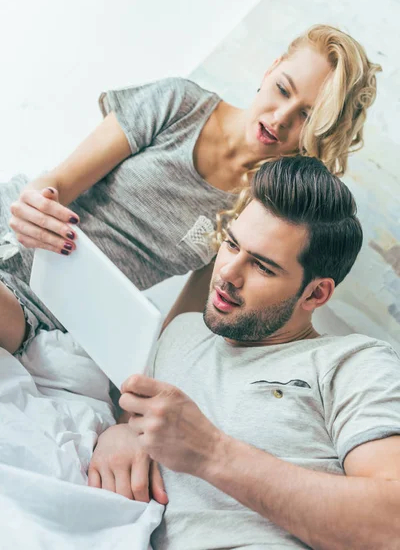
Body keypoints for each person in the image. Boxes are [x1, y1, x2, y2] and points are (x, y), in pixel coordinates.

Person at [0, 25, 380, 355]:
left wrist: (142, 391)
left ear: (322, 134)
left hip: (41, 303)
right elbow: (56, 185)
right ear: (271, 69)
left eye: (307, 117)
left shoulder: (260, 214)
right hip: (14, 225)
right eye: (283, 90)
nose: (280, 119)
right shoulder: (178, 103)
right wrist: (35, 204)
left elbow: (182, 328)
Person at [90, 156, 400, 549]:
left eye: (263, 267)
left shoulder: (354, 363)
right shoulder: (181, 332)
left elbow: (392, 525)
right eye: (232, 244)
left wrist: (211, 452)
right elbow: (136, 416)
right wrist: (119, 432)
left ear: (316, 293)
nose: (227, 274)